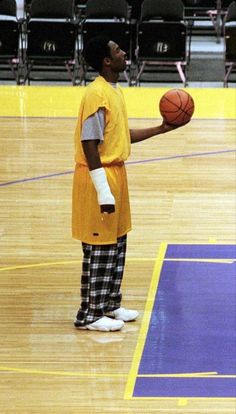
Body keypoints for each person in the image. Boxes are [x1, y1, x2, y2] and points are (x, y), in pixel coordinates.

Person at [72, 35, 179, 332]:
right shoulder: (96, 94)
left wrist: (161, 129)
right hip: (98, 176)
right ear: (107, 61)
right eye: (117, 50)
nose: (123, 53)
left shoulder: (113, 91)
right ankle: (89, 314)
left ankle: (108, 304)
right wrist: (103, 189)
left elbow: (119, 135)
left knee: (117, 244)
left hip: (116, 173)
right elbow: (90, 142)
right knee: (100, 247)